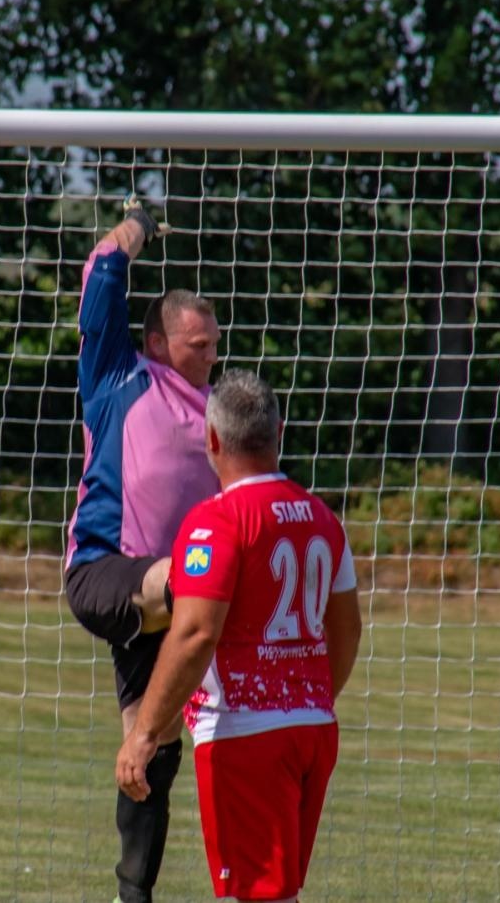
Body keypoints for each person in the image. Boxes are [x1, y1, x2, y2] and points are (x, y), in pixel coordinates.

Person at [115, 370, 362, 903]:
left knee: (255, 896)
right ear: (280, 432)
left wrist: (144, 733)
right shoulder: (322, 517)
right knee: (277, 891)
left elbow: (195, 635)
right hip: (313, 728)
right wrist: (314, 698)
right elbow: (347, 627)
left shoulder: (215, 523)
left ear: (212, 440)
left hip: (245, 733)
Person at [64, 193, 221, 903]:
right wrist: (140, 226)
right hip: (105, 575)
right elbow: (101, 269)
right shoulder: (116, 375)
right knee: (198, 583)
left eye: (215, 343)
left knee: (148, 754)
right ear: (159, 343)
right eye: (197, 345)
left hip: (167, 603)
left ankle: (133, 897)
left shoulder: (222, 413)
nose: (210, 355)